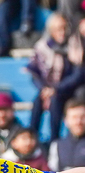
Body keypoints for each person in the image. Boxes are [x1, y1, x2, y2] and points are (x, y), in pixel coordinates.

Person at [27, 12, 84, 143]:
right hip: (47, 89)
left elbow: (78, 75)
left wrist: (56, 89)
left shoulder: (75, 45)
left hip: (68, 89)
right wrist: (44, 89)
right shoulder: (42, 47)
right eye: (58, 29)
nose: (62, 32)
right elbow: (34, 73)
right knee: (37, 102)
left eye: (64, 28)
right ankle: (32, 138)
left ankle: (55, 140)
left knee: (56, 100)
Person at [48, 97, 85, 170]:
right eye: (74, 117)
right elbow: (52, 172)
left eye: (83, 117)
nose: (78, 122)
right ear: (66, 120)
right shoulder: (57, 146)